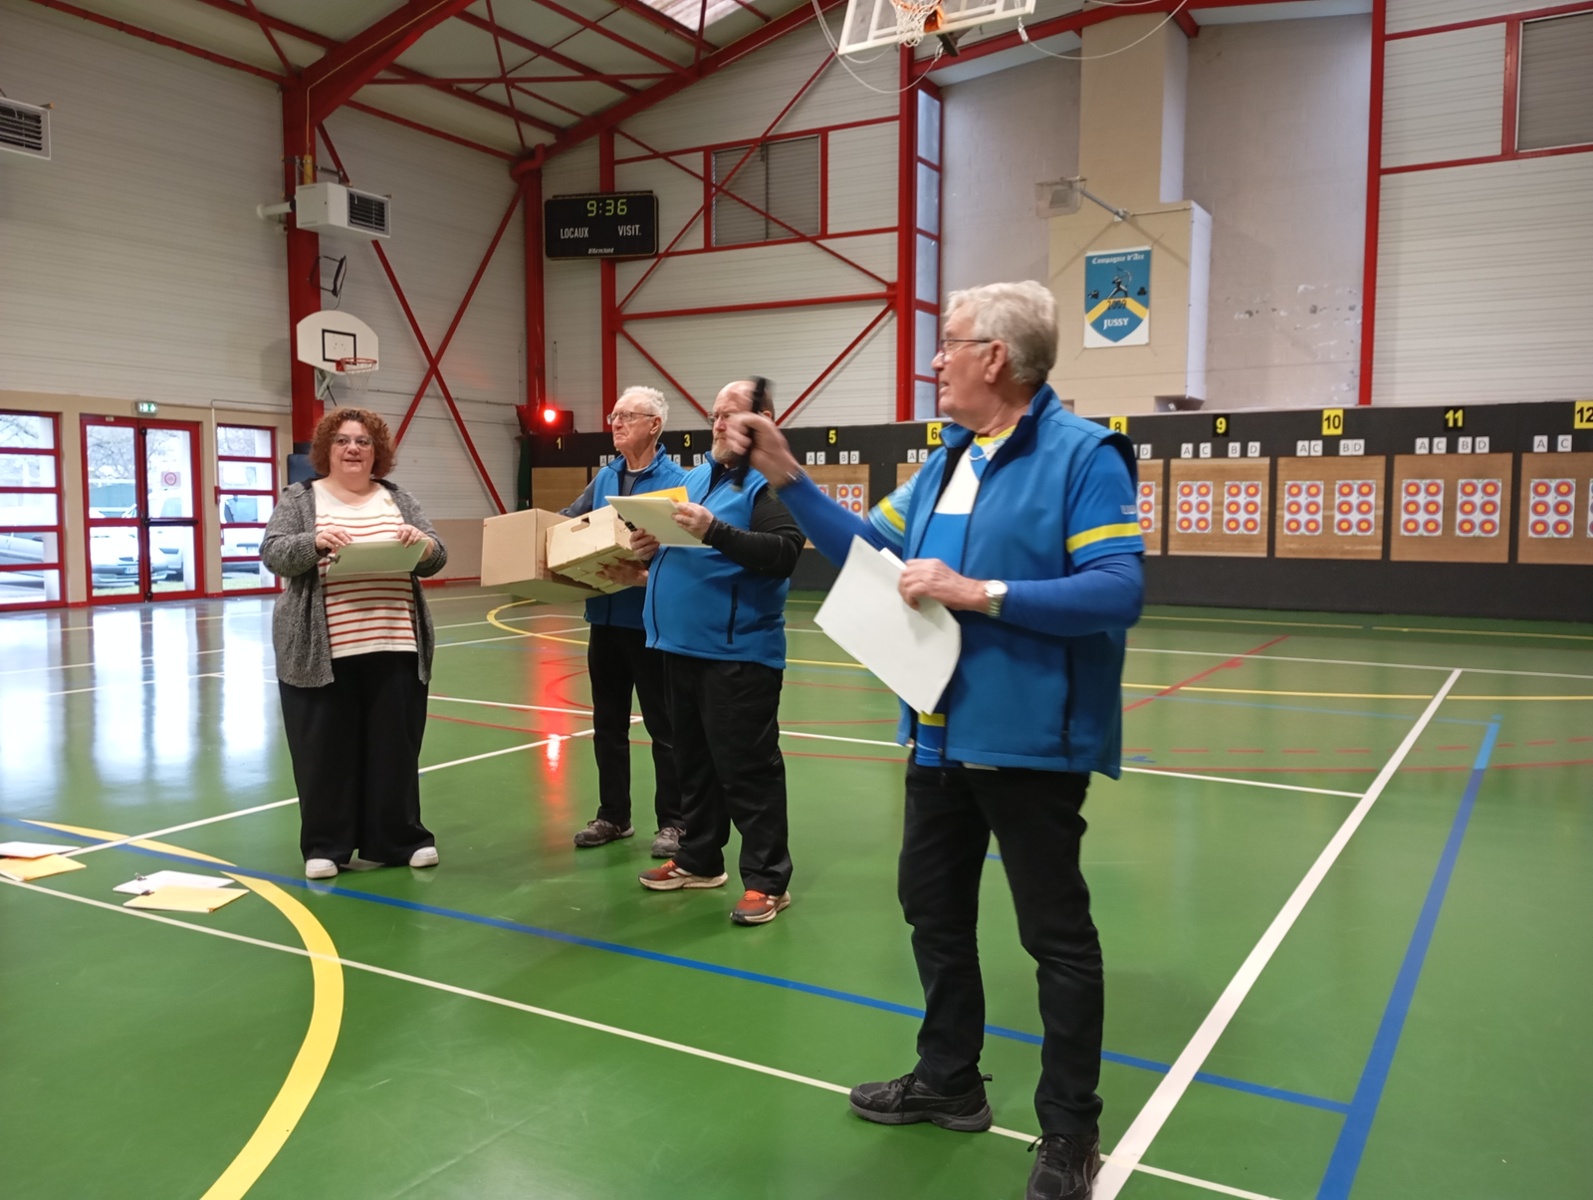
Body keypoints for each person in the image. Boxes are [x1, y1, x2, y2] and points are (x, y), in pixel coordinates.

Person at [721, 282, 1144, 1199]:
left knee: (1055, 938)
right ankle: (949, 1078)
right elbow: (866, 552)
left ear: (996, 356)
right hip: (938, 737)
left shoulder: (1084, 455)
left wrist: (976, 591)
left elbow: (1118, 589)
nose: (934, 360)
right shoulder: (947, 459)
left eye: (949, 342)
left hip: (1030, 745)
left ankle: (1070, 1130)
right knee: (933, 911)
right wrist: (786, 474)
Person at [610, 380, 805, 926]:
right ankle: (699, 858)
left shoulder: (767, 484)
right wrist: (648, 549)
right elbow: (684, 551)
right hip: (678, 647)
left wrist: (714, 529)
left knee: (747, 771)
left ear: (762, 421)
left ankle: (767, 880)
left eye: (731, 414)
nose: (718, 424)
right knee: (691, 764)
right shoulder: (696, 479)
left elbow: (784, 553)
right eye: (715, 414)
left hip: (738, 654)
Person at [261, 406, 448, 881]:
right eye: (343, 440)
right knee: (324, 753)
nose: (353, 449)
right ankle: (326, 846)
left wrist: (422, 544)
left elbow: (435, 555)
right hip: (322, 654)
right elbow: (274, 553)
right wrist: (315, 542)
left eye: (363, 441)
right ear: (326, 449)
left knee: (395, 750)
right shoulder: (301, 499)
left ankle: (400, 840)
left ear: (376, 451)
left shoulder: (398, 498)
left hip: (395, 644)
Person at [560, 386, 690, 858]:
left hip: (653, 626)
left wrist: (645, 572)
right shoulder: (605, 477)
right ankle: (614, 815)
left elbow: (686, 554)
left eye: (626, 416)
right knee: (608, 724)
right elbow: (569, 522)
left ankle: (674, 822)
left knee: (664, 728)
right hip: (604, 619)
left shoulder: (679, 481)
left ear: (654, 425)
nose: (615, 423)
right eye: (613, 416)